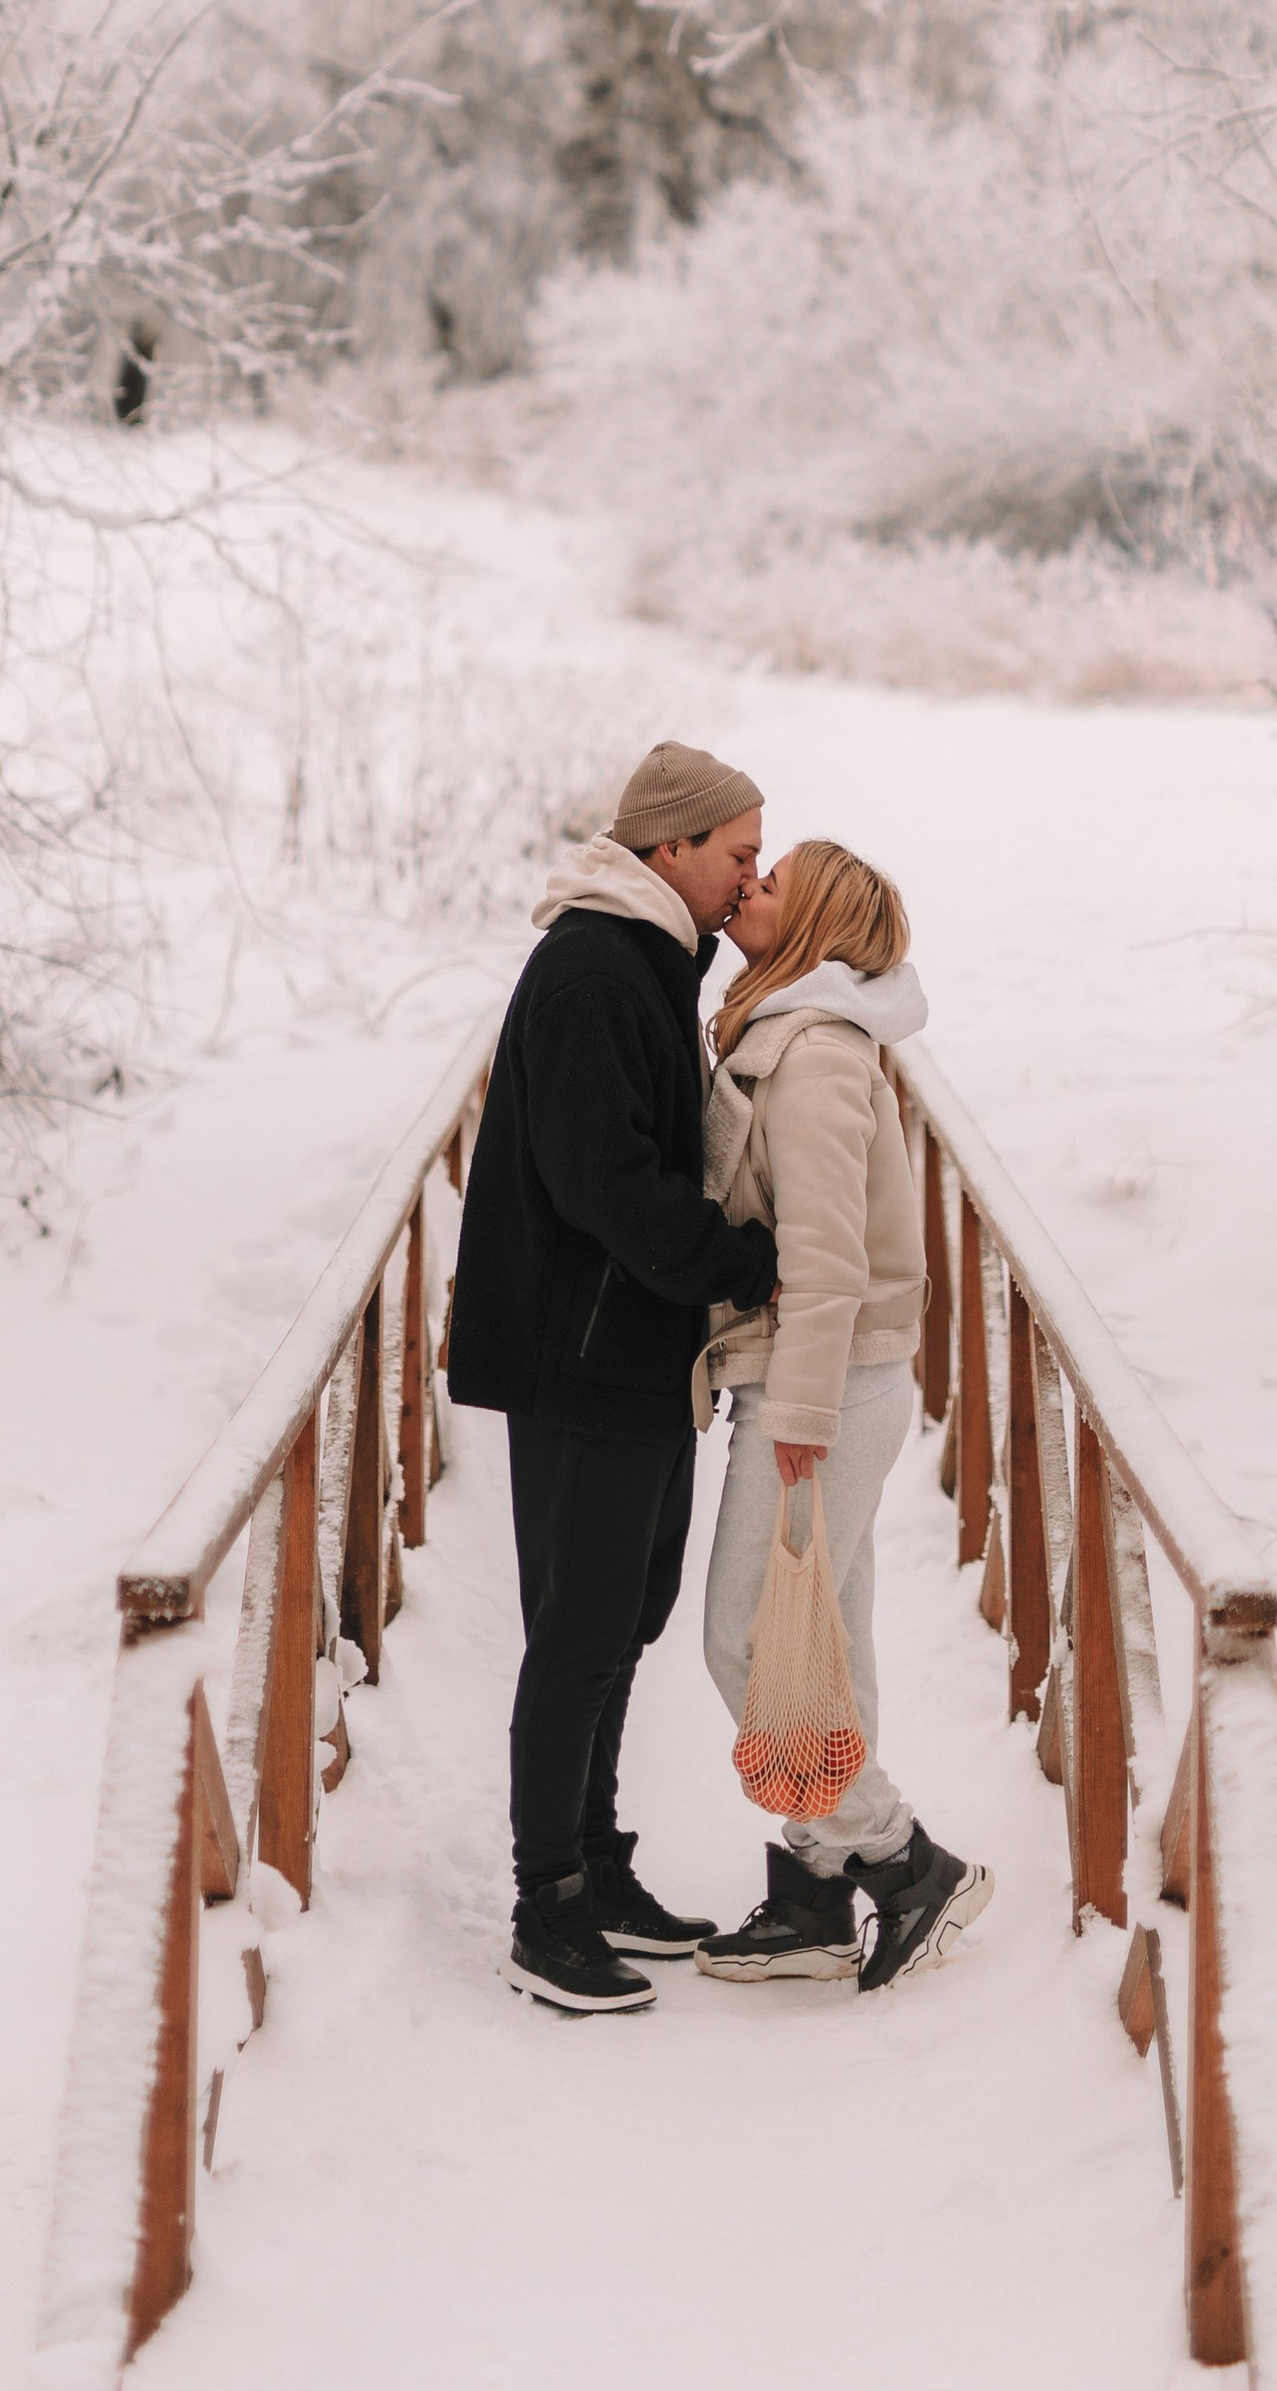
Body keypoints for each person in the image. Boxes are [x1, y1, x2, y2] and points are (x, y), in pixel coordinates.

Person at [447, 741, 780, 2017]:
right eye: (739, 853)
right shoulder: (595, 967)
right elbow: (604, 1179)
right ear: (671, 849)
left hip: (633, 1343)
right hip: (582, 1348)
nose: (750, 872)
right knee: (579, 1632)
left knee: (621, 1618)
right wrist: (740, 1261)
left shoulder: (650, 960)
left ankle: (596, 1867)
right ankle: (546, 1907)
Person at [692, 839, 993, 1993]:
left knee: (747, 1635)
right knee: (827, 1637)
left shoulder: (814, 1056)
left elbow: (823, 1252)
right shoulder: (787, 1032)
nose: (747, 890)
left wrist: (800, 1408)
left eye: (771, 884)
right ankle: (817, 1894)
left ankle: (905, 1855)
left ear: (810, 921)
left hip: (824, 1378)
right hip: (823, 1372)